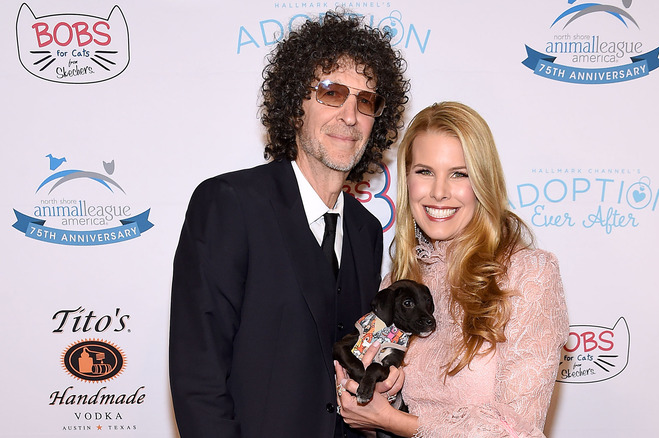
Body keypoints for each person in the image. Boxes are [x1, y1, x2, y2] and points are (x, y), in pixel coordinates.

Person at [169, 10, 410, 438]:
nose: (351, 115)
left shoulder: (366, 230)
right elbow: (198, 378)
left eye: (366, 100)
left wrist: (381, 382)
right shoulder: (230, 205)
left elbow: (346, 358)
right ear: (295, 103)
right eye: (332, 93)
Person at [335, 102, 569, 438]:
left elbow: (517, 429)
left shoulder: (529, 274)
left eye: (459, 173)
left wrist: (390, 420)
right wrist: (372, 402)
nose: (440, 192)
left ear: (483, 182)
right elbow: (377, 418)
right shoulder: (400, 283)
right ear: (406, 179)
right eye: (425, 171)